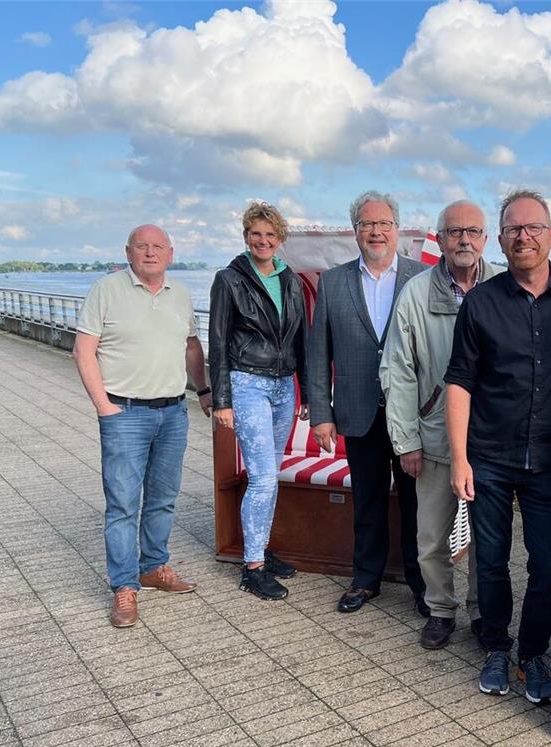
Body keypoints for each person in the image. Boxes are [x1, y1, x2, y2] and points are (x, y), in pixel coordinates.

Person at [445, 189, 551, 704]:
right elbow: (460, 382)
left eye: (533, 228)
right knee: (489, 561)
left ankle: (532, 652)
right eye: (513, 229)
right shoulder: (480, 303)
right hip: (488, 454)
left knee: (547, 564)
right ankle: (495, 647)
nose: (523, 236)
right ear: (501, 239)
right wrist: (459, 458)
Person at [73, 224, 212, 628]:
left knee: (163, 498)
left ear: (170, 253)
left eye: (158, 247)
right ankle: (124, 585)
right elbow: (83, 350)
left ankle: (153, 567)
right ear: (128, 252)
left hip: (173, 412)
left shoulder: (180, 294)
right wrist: (103, 406)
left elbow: (190, 345)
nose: (150, 253)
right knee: (122, 504)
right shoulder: (106, 290)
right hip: (124, 413)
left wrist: (203, 389)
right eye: (142, 247)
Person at [380, 201, 503, 650]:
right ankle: (440, 610)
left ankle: (482, 613)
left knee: (488, 539)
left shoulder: (504, 287)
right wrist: (406, 441)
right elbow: (397, 370)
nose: (464, 240)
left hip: (491, 441)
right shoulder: (415, 294)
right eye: (454, 232)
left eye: (472, 231)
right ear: (440, 238)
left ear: (486, 238)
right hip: (432, 436)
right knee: (431, 536)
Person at [308, 191, 429, 614]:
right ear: (355, 231)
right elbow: (318, 353)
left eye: (383, 224)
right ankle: (365, 580)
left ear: (397, 229)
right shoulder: (333, 282)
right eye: (366, 224)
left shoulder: (421, 278)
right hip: (358, 413)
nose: (375, 231)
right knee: (368, 501)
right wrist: (320, 414)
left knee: (417, 505)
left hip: (411, 415)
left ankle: (422, 586)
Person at [209, 201, 309, 601]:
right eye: (255, 234)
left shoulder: (290, 280)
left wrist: (306, 391)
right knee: (263, 477)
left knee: (271, 474)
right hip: (247, 382)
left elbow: (301, 339)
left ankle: (261, 549)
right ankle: (252, 569)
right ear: (246, 236)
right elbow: (218, 341)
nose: (262, 240)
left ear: (279, 239)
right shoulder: (229, 279)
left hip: (284, 386)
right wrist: (222, 400)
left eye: (269, 234)